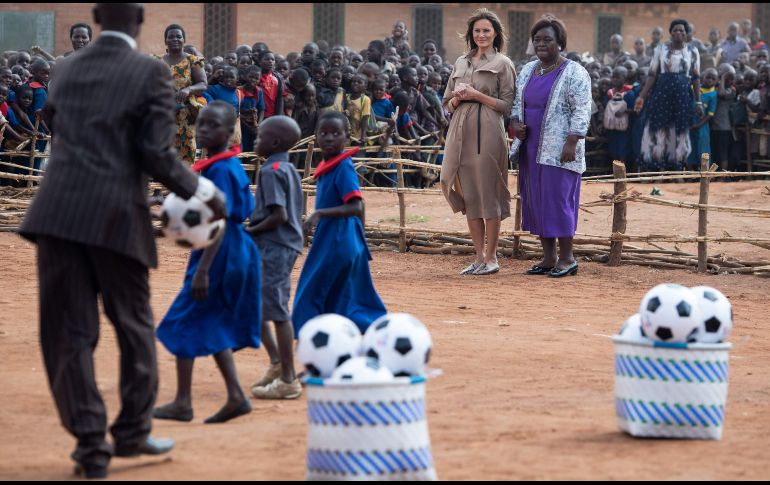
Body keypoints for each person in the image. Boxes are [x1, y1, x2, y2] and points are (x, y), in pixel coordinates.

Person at [18, 4, 227, 479]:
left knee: (67, 332)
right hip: (116, 216)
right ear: (139, 17)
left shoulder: (65, 69)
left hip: (57, 213)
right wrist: (204, 190)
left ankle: (90, 446)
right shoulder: (150, 72)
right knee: (133, 326)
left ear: (94, 16)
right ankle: (132, 432)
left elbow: (54, 122)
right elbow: (155, 153)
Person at [154, 101, 260, 425]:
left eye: (212, 126)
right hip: (223, 249)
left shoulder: (222, 169)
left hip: (220, 252)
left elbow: (219, 220)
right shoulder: (215, 166)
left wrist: (202, 270)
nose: (203, 130)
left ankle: (183, 403)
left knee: (183, 321)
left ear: (230, 133)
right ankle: (235, 396)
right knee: (209, 321)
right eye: (201, 124)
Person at [510, 14, 592, 278]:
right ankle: (548, 257)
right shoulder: (527, 69)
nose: (541, 44)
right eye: (537, 39)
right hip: (531, 146)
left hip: (560, 150)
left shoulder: (575, 72)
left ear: (560, 43)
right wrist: (515, 124)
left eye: (547, 39)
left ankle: (567, 259)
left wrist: (572, 140)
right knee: (537, 200)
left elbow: (582, 109)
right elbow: (516, 104)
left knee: (558, 200)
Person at [292, 112, 387, 334]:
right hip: (338, 238)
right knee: (342, 295)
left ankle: (309, 333)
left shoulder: (343, 166)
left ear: (347, 137)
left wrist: (318, 214)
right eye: (323, 133)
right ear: (315, 136)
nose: (329, 138)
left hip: (338, 239)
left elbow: (355, 206)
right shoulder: (329, 165)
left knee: (314, 291)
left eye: (336, 133)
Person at [440, 8, 515, 276]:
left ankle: (493, 257)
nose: (481, 35)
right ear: (471, 34)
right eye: (477, 31)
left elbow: (507, 105)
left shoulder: (503, 63)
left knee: (489, 194)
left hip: (488, 133)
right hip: (460, 131)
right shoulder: (461, 62)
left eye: (486, 30)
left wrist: (476, 94)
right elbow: (446, 102)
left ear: (496, 34)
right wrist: (458, 99)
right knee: (470, 194)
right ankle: (479, 257)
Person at [246, 116, 304, 399]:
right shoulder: (288, 168)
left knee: (277, 310)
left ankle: (289, 379)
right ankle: (277, 363)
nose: (255, 141)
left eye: (259, 137)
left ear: (275, 142)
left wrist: (249, 230)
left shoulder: (270, 171)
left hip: (275, 245)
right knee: (259, 304)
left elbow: (278, 215)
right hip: (283, 245)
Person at [634, 19, 702, 172]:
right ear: (671, 32)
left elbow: (696, 77)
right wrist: (642, 96)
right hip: (662, 95)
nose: (679, 33)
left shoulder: (693, 51)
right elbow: (652, 74)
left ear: (686, 34)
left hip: (683, 97)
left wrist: (698, 102)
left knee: (679, 129)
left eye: (682, 30)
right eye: (676, 30)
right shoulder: (660, 49)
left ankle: (676, 167)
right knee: (658, 127)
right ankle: (656, 167)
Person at [159, 24, 207, 164]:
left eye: (179, 36)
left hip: (185, 118)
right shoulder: (157, 61)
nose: (175, 39)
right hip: (163, 116)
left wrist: (188, 90)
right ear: (165, 41)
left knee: (185, 160)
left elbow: (203, 84)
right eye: (171, 36)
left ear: (184, 40)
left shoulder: (193, 61)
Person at [604, 65, 636, 166]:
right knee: (613, 150)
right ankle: (616, 173)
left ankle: (622, 173)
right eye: (613, 77)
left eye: (618, 77)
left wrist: (624, 111)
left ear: (625, 78)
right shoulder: (610, 93)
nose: (614, 79)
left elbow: (634, 110)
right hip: (612, 127)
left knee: (623, 150)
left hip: (624, 129)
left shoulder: (629, 93)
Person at [237, 65, 266, 152]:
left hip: (253, 126)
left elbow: (262, 109)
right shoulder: (238, 91)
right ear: (245, 77)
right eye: (251, 77)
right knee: (241, 147)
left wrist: (258, 125)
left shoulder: (259, 91)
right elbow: (235, 110)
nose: (253, 80)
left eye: (256, 78)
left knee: (252, 149)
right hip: (240, 125)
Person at [345, 73, 372, 144]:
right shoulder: (346, 97)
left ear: (365, 86)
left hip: (358, 136)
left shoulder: (365, 99)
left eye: (359, 82)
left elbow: (365, 118)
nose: (355, 83)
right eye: (354, 81)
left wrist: (363, 135)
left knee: (358, 153)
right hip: (346, 135)